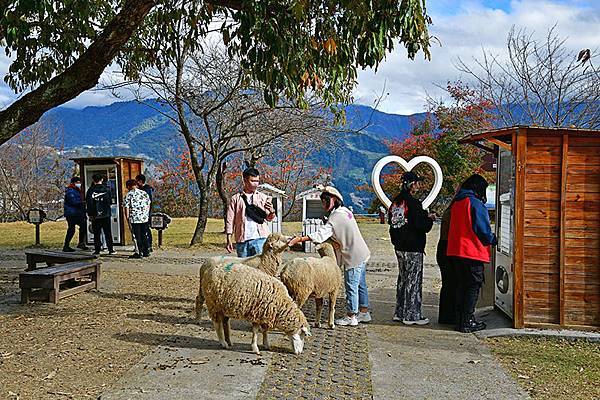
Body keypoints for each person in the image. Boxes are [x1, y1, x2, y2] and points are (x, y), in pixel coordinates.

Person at [287, 186, 372, 327]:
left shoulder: (336, 217)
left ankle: (352, 316)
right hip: (362, 252)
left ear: (333, 200)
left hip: (353, 256)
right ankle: (364, 312)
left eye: (325, 201)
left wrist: (300, 239)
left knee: (351, 285)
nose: (323, 204)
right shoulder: (345, 211)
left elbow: (320, 234)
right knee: (361, 285)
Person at [447, 174, 497, 333]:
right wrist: (492, 239)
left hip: (455, 250)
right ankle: (468, 321)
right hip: (472, 251)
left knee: (461, 286)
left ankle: (460, 319)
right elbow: (482, 230)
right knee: (473, 287)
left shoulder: (457, 202)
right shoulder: (475, 203)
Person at [388, 171, 436, 325]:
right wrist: (430, 219)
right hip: (413, 247)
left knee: (403, 279)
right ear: (412, 184)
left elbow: (392, 222)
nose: (418, 186)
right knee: (413, 280)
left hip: (399, 246)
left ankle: (400, 311)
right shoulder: (414, 203)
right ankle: (412, 315)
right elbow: (421, 225)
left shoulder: (396, 202)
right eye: (417, 183)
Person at [225, 167, 276, 257]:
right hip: (242, 240)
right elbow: (230, 219)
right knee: (244, 268)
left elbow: (269, 218)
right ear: (245, 180)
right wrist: (229, 238)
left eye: (257, 181)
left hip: (260, 238)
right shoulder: (236, 198)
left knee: (260, 268)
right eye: (253, 181)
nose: (256, 184)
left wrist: (272, 211)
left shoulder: (263, 197)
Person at [85, 173, 115, 255]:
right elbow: (110, 202)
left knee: (97, 233)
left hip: (95, 215)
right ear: (102, 179)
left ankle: (97, 250)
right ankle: (111, 249)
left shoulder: (90, 190)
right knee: (108, 232)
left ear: (93, 180)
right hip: (106, 214)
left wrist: (90, 214)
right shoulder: (107, 189)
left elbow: (89, 203)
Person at [436, 207, 456, 325]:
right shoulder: (455, 210)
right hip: (448, 246)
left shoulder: (449, 209)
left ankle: (445, 315)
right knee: (451, 284)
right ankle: (450, 315)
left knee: (447, 284)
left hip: (443, 246)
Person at [124, 179, 151, 259]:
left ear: (128, 186)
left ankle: (139, 252)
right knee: (144, 234)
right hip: (144, 218)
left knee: (137, 236)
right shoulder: (144, 193)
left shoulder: (128, 195)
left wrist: (127, 218)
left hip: (134, 218)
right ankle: (146, 251)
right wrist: (146, 214)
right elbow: (148, 204)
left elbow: (126, 208)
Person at [62, 176, 87, 252]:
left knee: (83, 226)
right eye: (78, 182)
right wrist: (83, 203)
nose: (79, 184)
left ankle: (80, 242)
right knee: (72, 229)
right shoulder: (70, 191)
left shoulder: (76, 190)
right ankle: (66, 245)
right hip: (72, 213)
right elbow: (73, 202)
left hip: (76, 213)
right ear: (73, 183)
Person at [136, 174, 154, 252]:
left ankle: (147, 245)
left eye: (137, 181)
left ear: (140, 181)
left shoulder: (144, 190)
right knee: (146, 230)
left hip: (145, 212)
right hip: (146, 212)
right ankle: (147, 245)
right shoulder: (148, 188)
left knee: (145, 230)